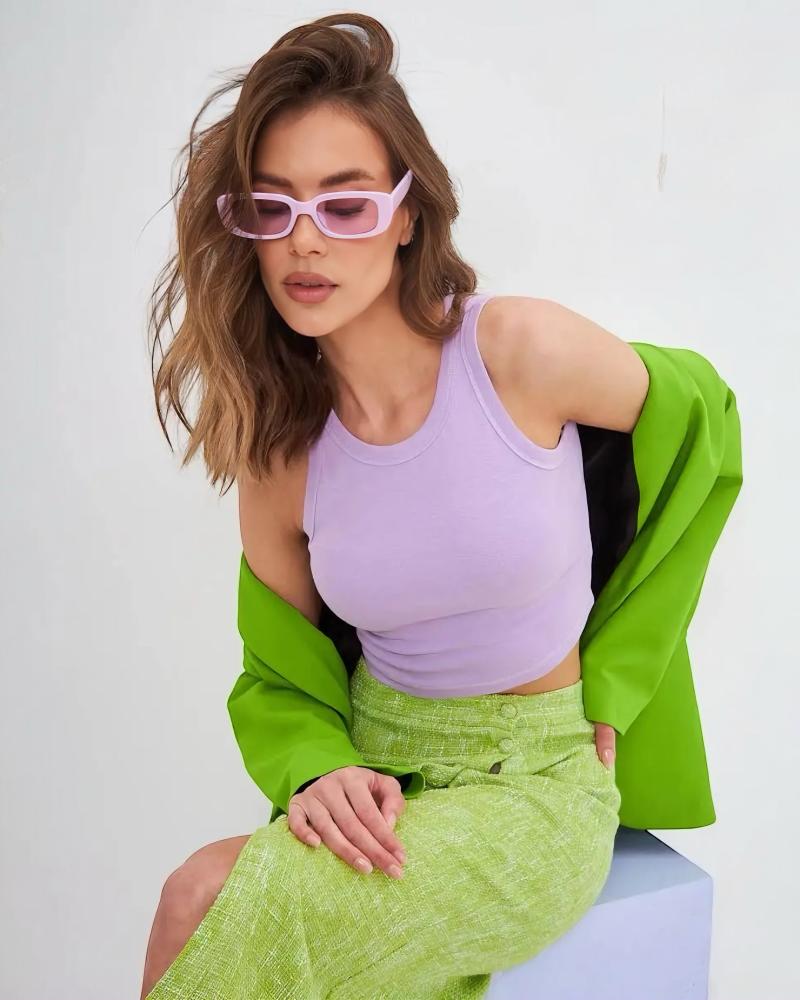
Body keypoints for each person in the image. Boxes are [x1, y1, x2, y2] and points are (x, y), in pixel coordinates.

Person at [140, 13, 659, 999]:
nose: (304, 240)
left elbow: (699, 442)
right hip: (373, 778)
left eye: (345, 205)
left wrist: (624, 680)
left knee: (200, 895)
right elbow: (280, 672)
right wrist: (316, 769)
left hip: (534, 789)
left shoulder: (521, 354)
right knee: (195, 896)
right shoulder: (282, 454)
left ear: (408, 214)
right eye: (271, 207)